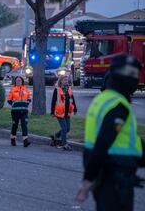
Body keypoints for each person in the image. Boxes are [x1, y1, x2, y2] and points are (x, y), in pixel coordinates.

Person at [76, 54, 145, 211]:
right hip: (115, 178)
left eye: (135, 74)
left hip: (108, 176)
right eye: (129, 74)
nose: (134, 79)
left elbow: (130, 140)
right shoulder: (118, 106)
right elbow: (103, 142)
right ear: (117, 75)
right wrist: (88, 179)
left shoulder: (103, 99)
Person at [50, 75, 77, 151]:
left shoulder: (69, 89)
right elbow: (53, 101)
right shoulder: (57, 90)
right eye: (65, 80)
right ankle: (64, 144)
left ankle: (55, 136)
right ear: (61, 81)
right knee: (64, 128)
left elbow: (72, 99)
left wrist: (75, 109)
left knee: (67, 128)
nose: (66, 81)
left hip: (67, 112)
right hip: (59, 112)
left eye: (67, 80)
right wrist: (52, 112)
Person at [7, 76, 32, 147]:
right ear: (15, 82)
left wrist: (27, 102)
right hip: (15, 111)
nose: (18, 82)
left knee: (24, 125)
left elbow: (29, 98)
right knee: (15, 125)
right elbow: (9, 100)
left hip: (24, 111)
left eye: (19, 80)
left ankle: (25, 140)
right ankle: (13, 139)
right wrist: (13, 104)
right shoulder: (13, 89)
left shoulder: (26, 89)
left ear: (22, 81)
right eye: (17, 80)